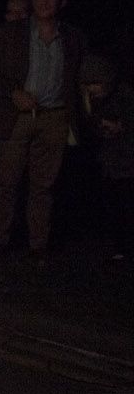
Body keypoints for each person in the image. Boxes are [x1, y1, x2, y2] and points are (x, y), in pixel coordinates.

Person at [0, 0, 87, 256]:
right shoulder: (8, 34)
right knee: (7, 180)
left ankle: (38, 244)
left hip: (54, 116)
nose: (44, 2)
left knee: (44, 185)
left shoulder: (72, 37)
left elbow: (80, 76)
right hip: (17, 116)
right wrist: (14, 92)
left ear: (62, 2)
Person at [80, 55, 133, 262]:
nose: (92, 89)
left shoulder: (124, 95)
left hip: (126, 161)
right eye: (88, 84)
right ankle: (118, 246)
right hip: (110, 162)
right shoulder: (92, 100)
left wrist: (121, 127)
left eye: (95, 83)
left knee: (126, 204)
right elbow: (92, 126)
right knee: (114, 205)